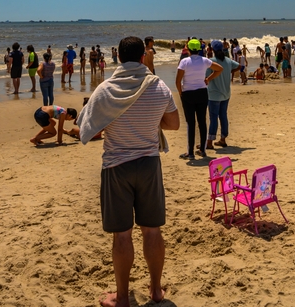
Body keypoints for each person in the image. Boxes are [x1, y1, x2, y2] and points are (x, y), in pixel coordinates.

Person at [75, 36, 179, 307]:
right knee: (152, 231)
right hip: (149, 164)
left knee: (122, 235)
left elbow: (88, 130)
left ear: (118, 57)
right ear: (144, 57)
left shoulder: (105, 90)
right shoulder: (158, 86)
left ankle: (122, 298)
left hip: (116, 166)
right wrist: (149, 121)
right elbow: (173, 124)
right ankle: (156, 291)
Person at [176, 39, 222, 160]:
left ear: (188, 49)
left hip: (188, 93)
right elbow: (219, 69)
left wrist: (181, 93)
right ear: (200, 49)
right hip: (202, 93)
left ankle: (190, 152)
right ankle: (202, 150)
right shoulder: (204, 60)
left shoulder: (184, 61)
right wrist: (208, 79)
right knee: (202, 121)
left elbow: (178, 81)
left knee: (191, 123)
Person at [206, 40, 238, 149]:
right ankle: (223, 139)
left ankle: (209, 142)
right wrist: (228, 72)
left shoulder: (211, 62)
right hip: (226, 93)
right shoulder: (228, 60)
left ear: (212, 50)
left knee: (213, 118)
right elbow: (239, 66)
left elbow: (206, 77)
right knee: (223, 116)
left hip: (214, 94)